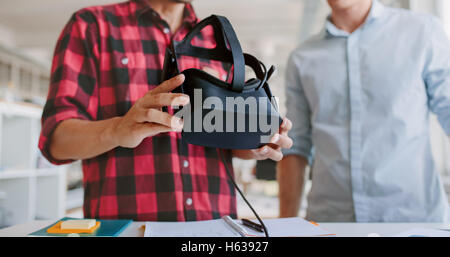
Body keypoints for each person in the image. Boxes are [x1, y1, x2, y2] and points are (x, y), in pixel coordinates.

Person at [39, 0, 293, 221]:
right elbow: (56, 141)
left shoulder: (216, 39)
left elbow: (223, 142)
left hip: (213, 228)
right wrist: (117, 129)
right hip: (126, 227)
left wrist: (255, 144)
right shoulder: (92, 27)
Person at [278, 0, 450, 222]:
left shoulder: (423, 32)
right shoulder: (302, 58)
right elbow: (295, 146)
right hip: (330, 223)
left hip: (415, 221)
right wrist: (285, 224)